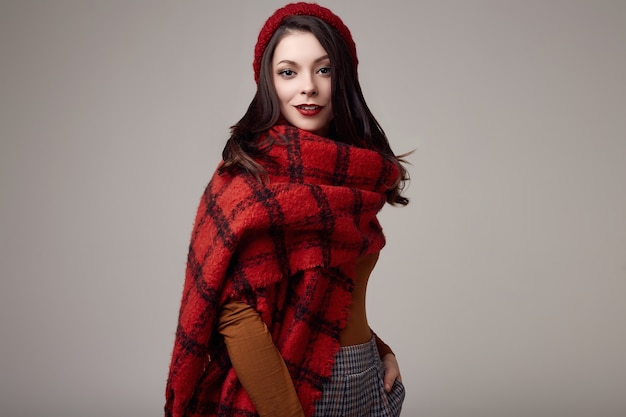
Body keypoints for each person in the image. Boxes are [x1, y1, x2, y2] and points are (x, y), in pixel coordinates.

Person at [165, 3, 410, 416]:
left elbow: (338, 293)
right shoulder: (245, 180)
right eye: (288, 72)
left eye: (324, 70)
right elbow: (235, 314)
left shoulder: (355, 174)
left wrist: (380, 350)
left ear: (343, 79)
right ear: (268, 82)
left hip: (366, 378)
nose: (308, 87)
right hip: (290, 388)